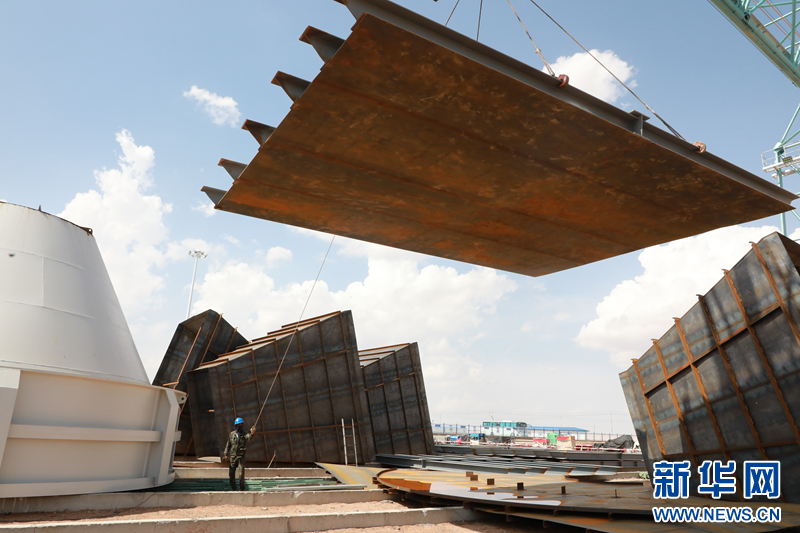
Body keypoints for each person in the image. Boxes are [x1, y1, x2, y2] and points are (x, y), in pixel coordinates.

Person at [223, 417, 256, 491]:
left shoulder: (245, 434)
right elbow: (228, 445)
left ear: (242, 425)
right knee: (231, 475)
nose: (239, 426)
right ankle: (234, 489)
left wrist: (252, 433)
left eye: (240, 425)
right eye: (237, 425)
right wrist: (226, 454)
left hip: (241, 457)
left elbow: (249, 438)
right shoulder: (232, 434)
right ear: (235, 426)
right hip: (233, 457)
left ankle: (242, 489)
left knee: (241, 475)